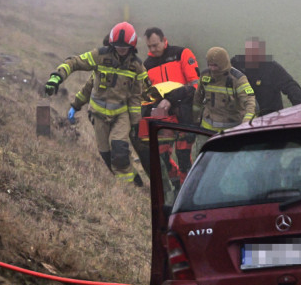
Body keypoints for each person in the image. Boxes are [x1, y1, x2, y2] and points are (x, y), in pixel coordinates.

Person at [44, 22, 149, 186]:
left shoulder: (137, 67)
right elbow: (75, 63)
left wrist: (136, 123)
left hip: (121, 115)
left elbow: (136, 97)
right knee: (106, 154)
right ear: (112, 44)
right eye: (118, 46)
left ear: (132, 45)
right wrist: (57, 77)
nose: (121, 49)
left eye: (125, 47)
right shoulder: (99, 56)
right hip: (98, 114)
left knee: (119, 149)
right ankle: (129, 179)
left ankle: (132, 186)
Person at [141, 27, 200, 179]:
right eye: (149, 46)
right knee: (162, 158)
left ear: (164, 40)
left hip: (184, 114)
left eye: (155, 45)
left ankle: (186, 186)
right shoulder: (146, 66)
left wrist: (171, 98)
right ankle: (174, 185)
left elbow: (196, 86)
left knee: (184, 157)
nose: (153, 49)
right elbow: (147, 96)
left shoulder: (181, 54)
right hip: (162, 116)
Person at [230, 37, 301, 115]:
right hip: (245, 116)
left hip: (271, 117)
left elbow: (290, 85)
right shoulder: (236, 65)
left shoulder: (271, 67)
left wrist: (299, 109)